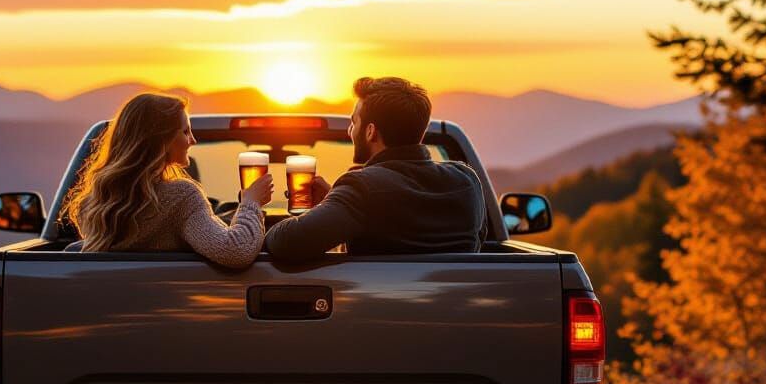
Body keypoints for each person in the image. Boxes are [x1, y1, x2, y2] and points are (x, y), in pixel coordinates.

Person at [265, 76, 487, 261]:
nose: (350, 131)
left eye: (354, 122)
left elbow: (286, 243)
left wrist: (252, 211)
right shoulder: (467, 180)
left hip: (381, 301)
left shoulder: (360, 187)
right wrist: (334, 200)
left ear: (371, 131)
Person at [63, 93, 273, 268]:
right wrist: (251, 203)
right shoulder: (181, 197)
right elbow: (236, 251)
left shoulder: (95, 204)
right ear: (161, 140)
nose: (193, 140)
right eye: (185, 132)